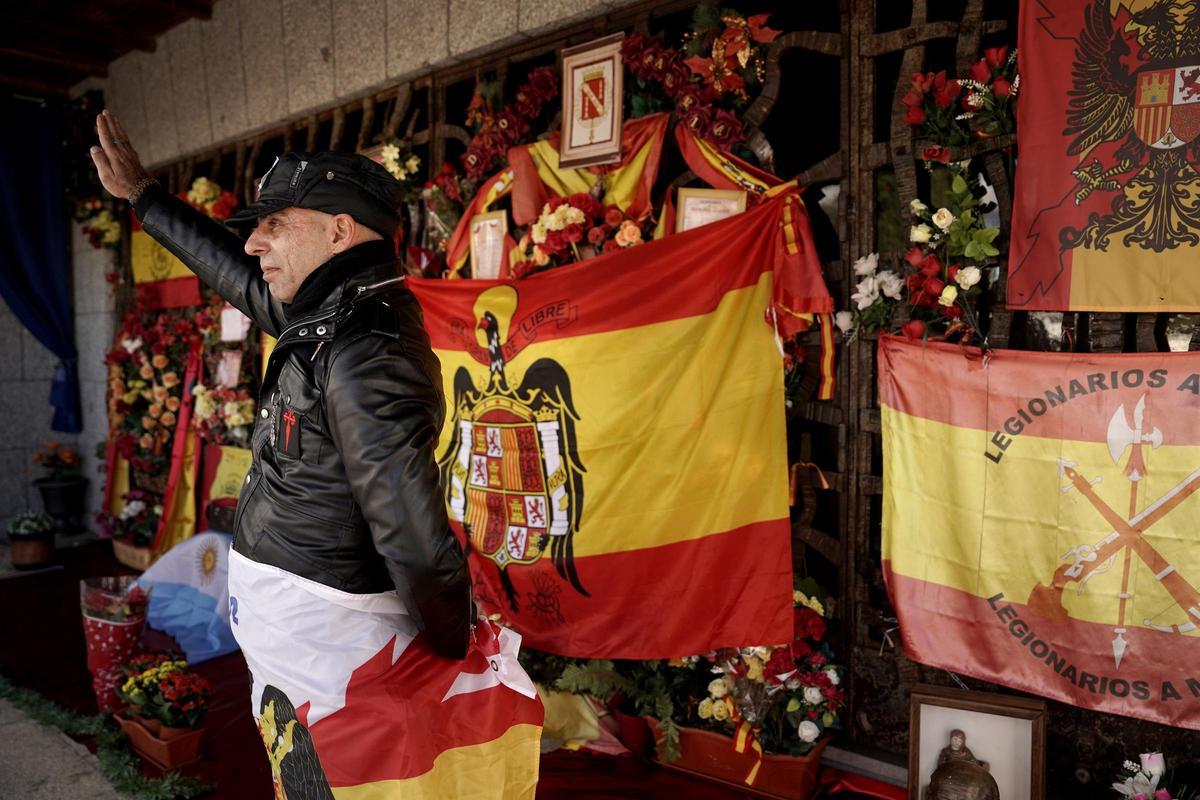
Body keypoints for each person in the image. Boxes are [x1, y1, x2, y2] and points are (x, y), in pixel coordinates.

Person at [91, 111, 542, 798]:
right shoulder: (330, 307)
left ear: (340, 230)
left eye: (276, 223)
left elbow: (409, 527)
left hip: (334, 631)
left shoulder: (368, 342)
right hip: (302, 624)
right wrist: (146, 200)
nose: (255, 243)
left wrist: (453, 645)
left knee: (331, 779)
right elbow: (233, 276)